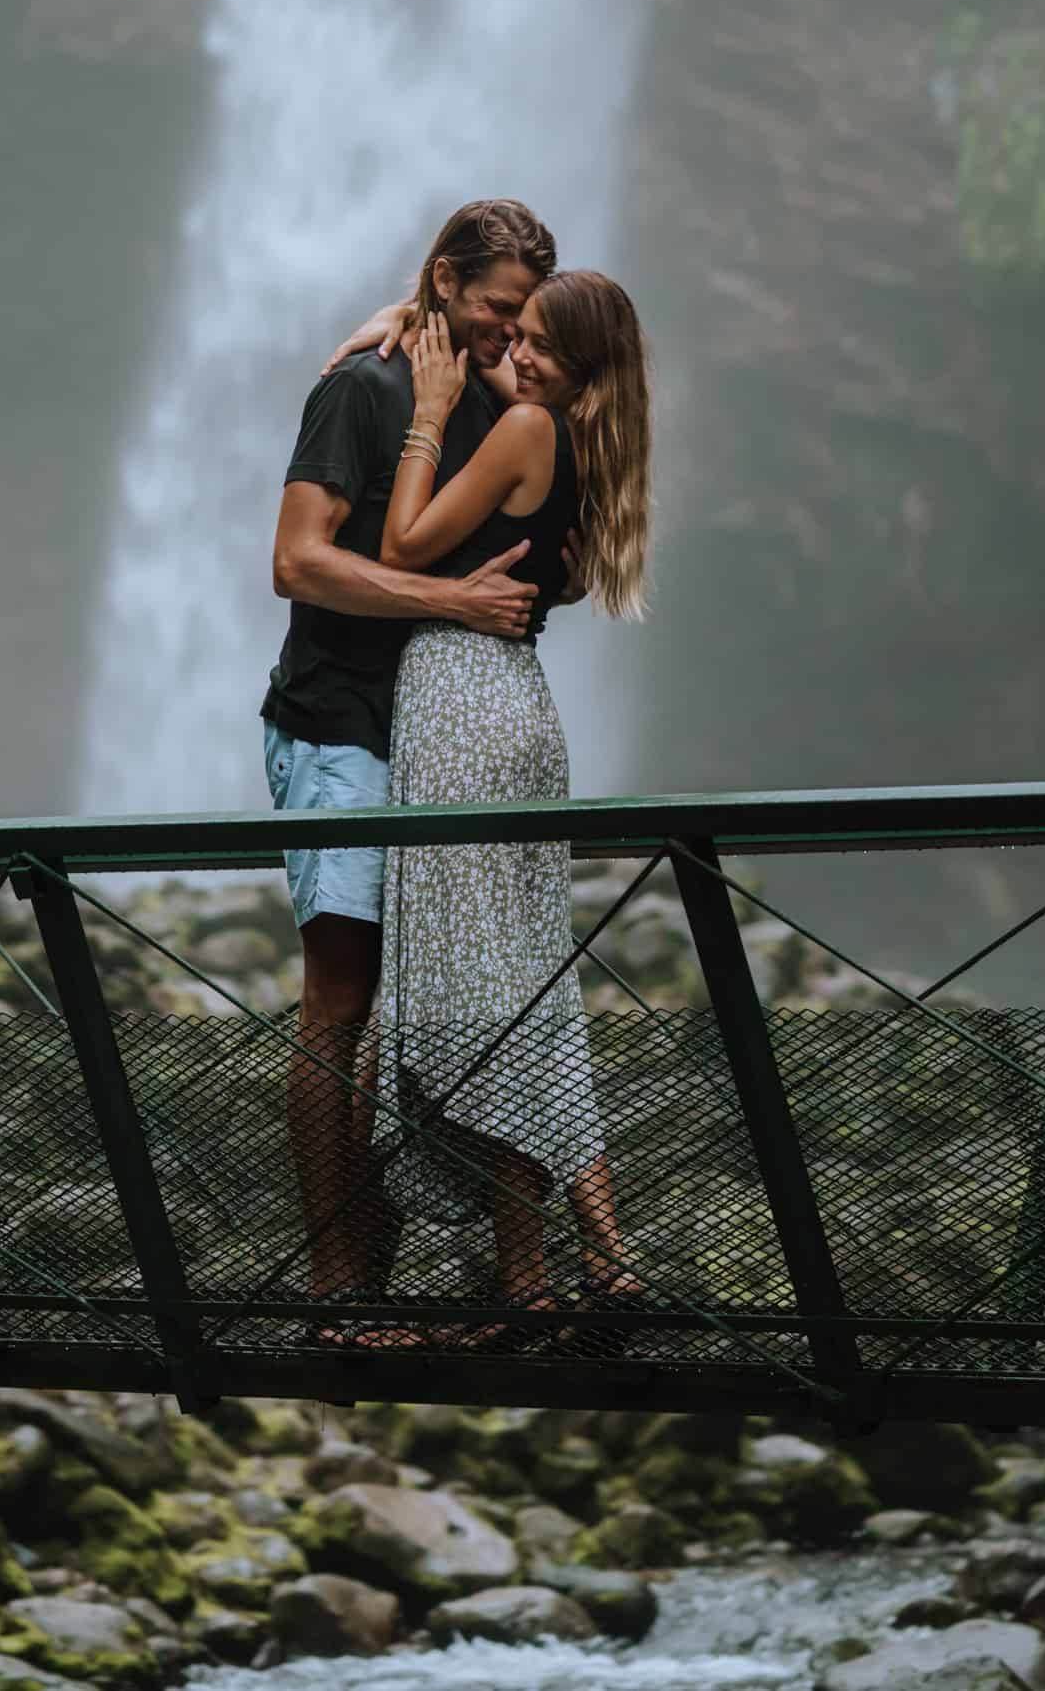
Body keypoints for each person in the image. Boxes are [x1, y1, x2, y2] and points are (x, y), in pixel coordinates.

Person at [265, 198, 559, 1323]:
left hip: (448, 736)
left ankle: (502, 1274)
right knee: (341, 996)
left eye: (523, 316)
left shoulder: (506, 399)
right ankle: (340, 1281)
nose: (508, 333)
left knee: (467, 989)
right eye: (493, 308)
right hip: (339, 720)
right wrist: (453, 600)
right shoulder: (363, 387)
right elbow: (296, 561)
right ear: (443, 280)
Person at [372, 268, 654, 1347]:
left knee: (470, 994)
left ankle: (532, 1279)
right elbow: (569, 582)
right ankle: (602, 1257)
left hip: (457, 702)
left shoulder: (524, 426)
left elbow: (403, 546)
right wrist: (406, 314)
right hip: (524, 712)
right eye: (512, 333)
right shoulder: (594, 437)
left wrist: (433, 415)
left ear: (573, 364)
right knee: (526, 983)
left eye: (537, 342)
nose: (515, 353)